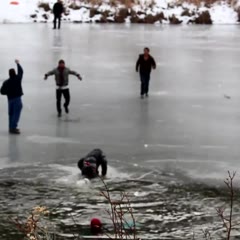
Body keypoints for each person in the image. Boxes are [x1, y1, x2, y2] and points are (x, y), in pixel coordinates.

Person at [0, 60, 23, 134]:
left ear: (9, 74)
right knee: (16, 113)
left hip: (10, 100)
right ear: (14, 73)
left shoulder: (6, 82)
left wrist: (8, 92)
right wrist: (18, 64)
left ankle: (10, 127)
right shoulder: (17, 79)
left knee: (11, 114)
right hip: (17, 99)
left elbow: (2, 92)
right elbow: (21, 71)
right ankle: (13, 128)